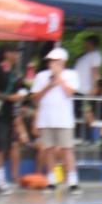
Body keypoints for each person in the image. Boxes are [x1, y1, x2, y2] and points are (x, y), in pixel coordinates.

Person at [32, 47, 81, 194]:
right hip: (46, 119)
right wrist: (49, 85)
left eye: (55, 61)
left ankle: (73, 181)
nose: (52, 64)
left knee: (67, 149)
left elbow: (70, 93)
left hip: (64, 119)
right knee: (49, 150)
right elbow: (35, 98)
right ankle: (52, 180)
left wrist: (59, 78)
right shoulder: (41, 76)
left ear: (63, 62)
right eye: (51, 61)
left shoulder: (71, 75)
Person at [0, 44, 27, 195]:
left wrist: (18, 98)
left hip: (8, 115)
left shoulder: (13, 74)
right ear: (7, 54)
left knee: (3, 147)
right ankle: (1, 181)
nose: (17, 56)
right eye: (15, 52)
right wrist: (9, 97)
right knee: (0, 147)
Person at [73, 35, 102, 141]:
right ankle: (84, 136)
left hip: (85, 90)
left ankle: (96, 137)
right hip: (78, 89)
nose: (84, 45)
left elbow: (95, 71)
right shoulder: (87, 56)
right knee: (82, 112)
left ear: (91, 44)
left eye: (86, 43)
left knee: (87, 112)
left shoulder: (95, 55)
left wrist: (95, 86)